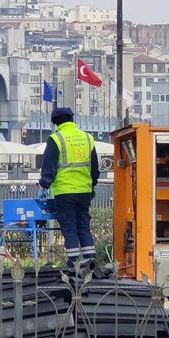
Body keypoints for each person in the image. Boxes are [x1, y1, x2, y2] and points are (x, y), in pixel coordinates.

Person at [39, 107, 100, 267]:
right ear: (72, 119)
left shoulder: (56, 139)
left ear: (55, 122)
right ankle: (91, 261)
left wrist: (44, 184)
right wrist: (91, 184)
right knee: (83, 226)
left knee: (69, 227)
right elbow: (94, 168)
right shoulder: (87, 138)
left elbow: (49, 167)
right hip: (85, 192)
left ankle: (73, 263)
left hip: (65, 193)